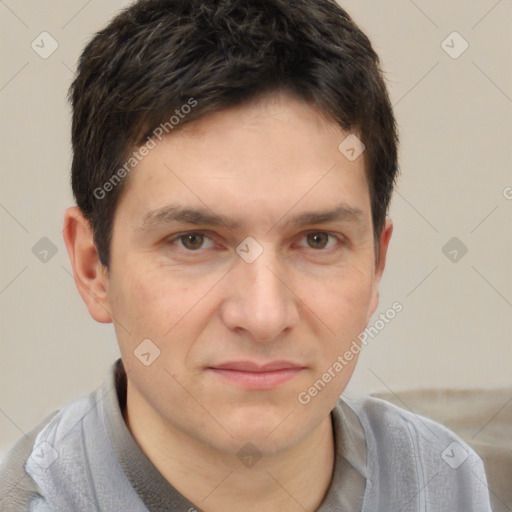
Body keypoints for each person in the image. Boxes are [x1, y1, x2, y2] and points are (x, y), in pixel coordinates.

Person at [0, 0, 492, 510]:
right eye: (194, 240)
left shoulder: (445, 482)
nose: (264, 316)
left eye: (318, 239)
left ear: (376, 267)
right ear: (92, 268)